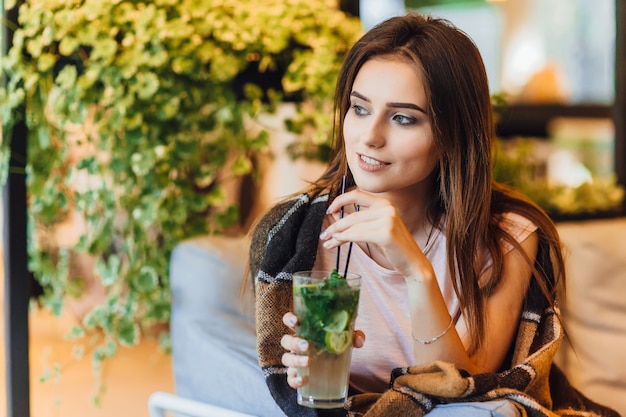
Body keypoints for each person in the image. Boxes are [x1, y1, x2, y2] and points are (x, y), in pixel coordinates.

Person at [249, 13, 618, 417]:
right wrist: (295, 362)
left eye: (403, 117)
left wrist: (415, 268)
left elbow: (462, 389)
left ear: (451, 135)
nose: (369, 137)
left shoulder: (508, 235)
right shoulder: (294, 232)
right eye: (359, 108)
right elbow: (283, 368)